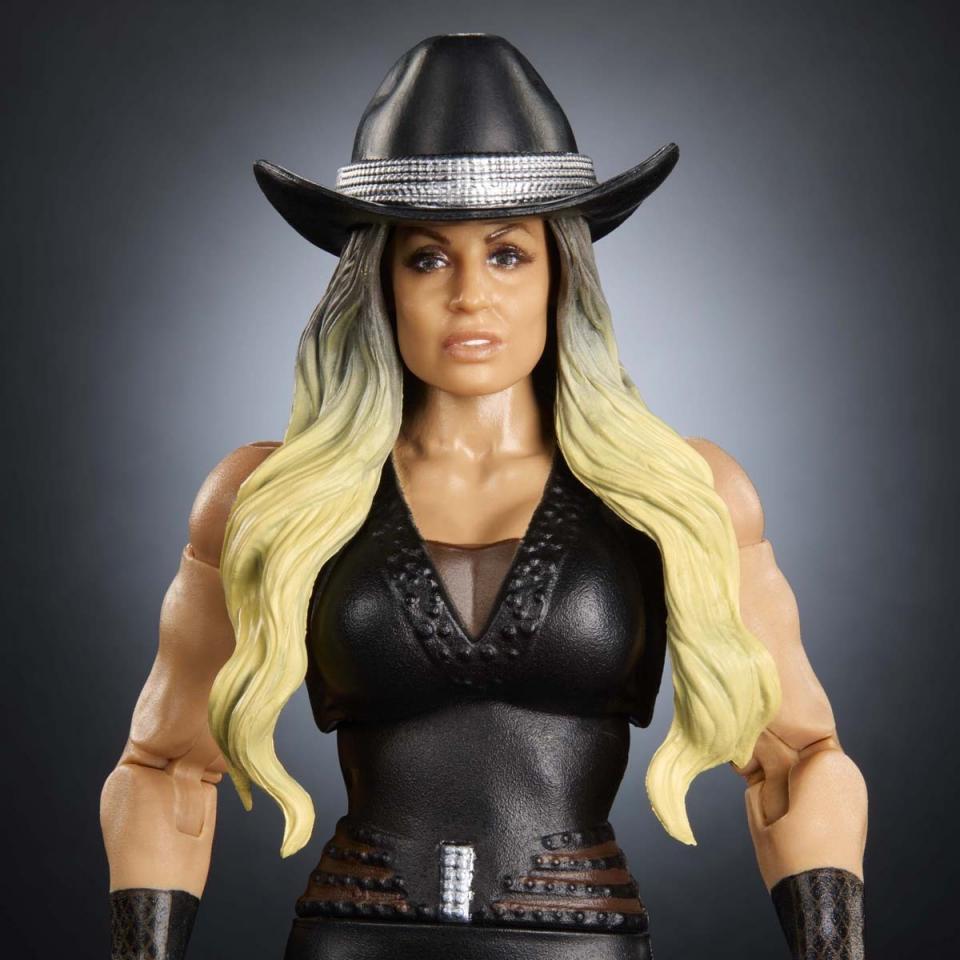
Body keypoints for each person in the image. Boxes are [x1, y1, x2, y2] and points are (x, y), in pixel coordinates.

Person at [100, 34, 867, 960]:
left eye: (507, 255)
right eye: (428, 259)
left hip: (580, 943)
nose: (470, 295)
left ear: (559, 274)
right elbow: (167, 768)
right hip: (355, 940)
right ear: (380, 283)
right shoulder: (269, 496)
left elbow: (796, 761)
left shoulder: (682, 492)